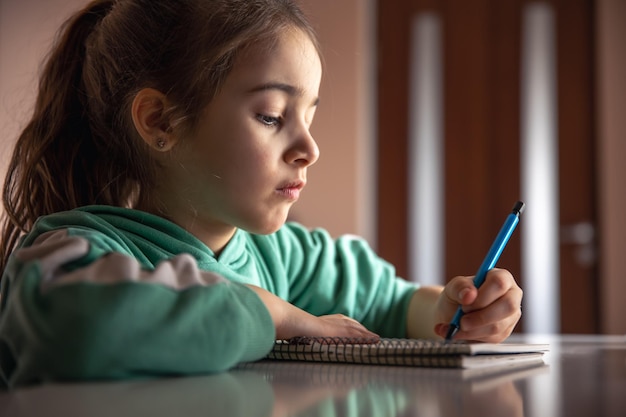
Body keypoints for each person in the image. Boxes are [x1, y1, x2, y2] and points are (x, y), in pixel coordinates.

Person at [0, 0, 522, 388]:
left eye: (310, 117)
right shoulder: (72, 252)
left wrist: (459, 311)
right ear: (160, 121)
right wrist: (272, 314)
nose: (309, 148)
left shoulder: (286, 257)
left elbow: (394, 304)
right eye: (272, 115)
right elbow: (78, 329)